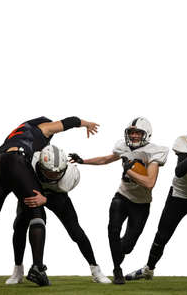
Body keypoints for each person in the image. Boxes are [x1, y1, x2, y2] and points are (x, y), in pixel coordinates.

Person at [0, 116, 98, 287]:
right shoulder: (40, 129)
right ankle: (37, 268)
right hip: (16, 160)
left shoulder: (15, 134)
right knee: (36, 211)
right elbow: (69, 121)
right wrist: (86, 124)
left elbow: (4, 163)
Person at [0, 145, 111, 284]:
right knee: (19, 226)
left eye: (57, 173)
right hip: (32, 192)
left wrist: (46, 199)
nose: (53, 176)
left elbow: (60, 197)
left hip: (57, 195)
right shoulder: (28, 162)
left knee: (75, 231)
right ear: (40, 165)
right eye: (49, 172)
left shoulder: (70, 177)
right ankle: (18, 270)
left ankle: (95, 269)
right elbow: (8, 173)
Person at [69, 117, 169, 284]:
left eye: (138, 132)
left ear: (147, 134)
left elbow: (150, 183)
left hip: (141, 204)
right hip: (122, 196)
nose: (134, 136)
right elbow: (106, 159)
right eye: (132, 132)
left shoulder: (154, 151)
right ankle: (117, 270)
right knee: (112, 230)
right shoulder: (123, 146)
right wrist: (83, 161)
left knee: (127, 246)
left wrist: (130, 171)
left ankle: (118, 257)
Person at [125, 126, 187, 282]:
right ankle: (148, 269)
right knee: (162, 236)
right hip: (179, 196)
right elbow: (180, 170)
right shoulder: (186, 141)